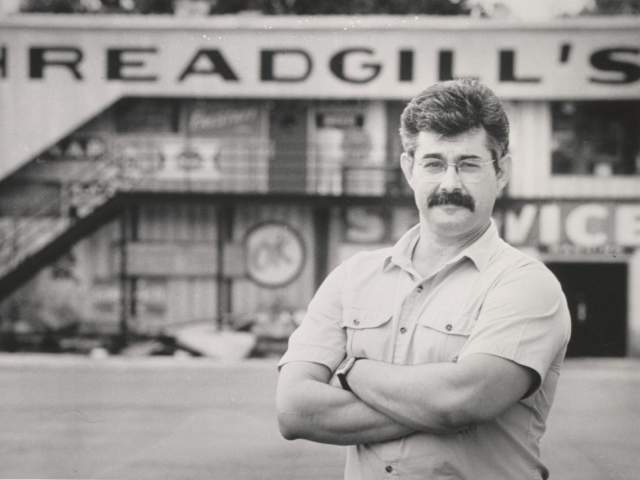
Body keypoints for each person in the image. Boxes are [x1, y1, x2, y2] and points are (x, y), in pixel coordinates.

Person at [276, 78, 571, 480]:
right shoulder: (352, 277)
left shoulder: (526, 285)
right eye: (434, 163)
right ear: (409, 169)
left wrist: (351, 370)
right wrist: (433, 407)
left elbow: (462, 401)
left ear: (501, 170)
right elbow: (295, 410)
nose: (450, 183)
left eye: (468, 164)